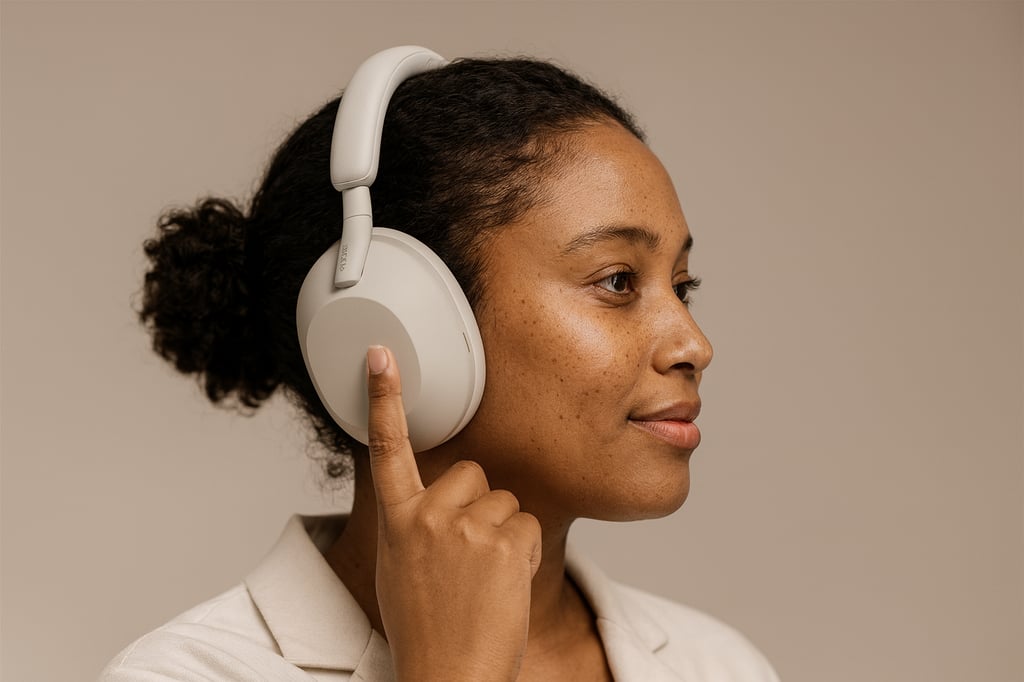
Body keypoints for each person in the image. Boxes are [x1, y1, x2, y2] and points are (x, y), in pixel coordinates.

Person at [100, 51, 780, 682]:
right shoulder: (187, 674)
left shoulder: (718, 665)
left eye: (682, 286)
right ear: (400, 321)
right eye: (617, 282)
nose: (693, 344)